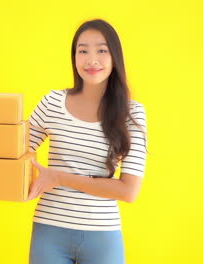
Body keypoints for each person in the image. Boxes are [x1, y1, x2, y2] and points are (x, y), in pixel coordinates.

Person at [27, 18, 148, 264]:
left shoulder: (132, 113)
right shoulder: (52, 103)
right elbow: (14, 153)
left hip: (103, 236)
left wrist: (58, 177)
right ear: (74, 57)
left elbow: (128, 191)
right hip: (49, 230)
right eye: (83, 51)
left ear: (115, 57)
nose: (91, 60)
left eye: (102, 50)